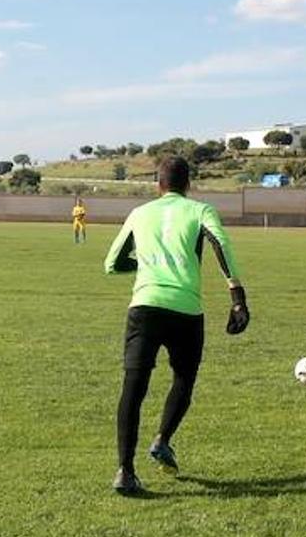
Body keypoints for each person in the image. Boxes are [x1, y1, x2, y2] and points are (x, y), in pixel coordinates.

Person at [103, 156, 250, 496]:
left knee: (133, 388)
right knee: (184, 380)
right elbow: (220, 244)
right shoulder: (201, 211)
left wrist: (147, 267)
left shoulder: (140, 214)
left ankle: (125, 471)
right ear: (189, 184)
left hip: (144, 307)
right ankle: (162, 440)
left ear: (158, 184)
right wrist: (237, 296)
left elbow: (112, 263)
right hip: (185, 310)